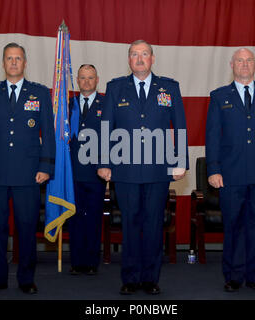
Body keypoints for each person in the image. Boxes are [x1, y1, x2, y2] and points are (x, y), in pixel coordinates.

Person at [98, 40, 188, 295]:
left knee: (152, 224)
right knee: (130, 224)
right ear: (128, 60)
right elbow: (106, 128)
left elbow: (179, 125)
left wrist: (180, 160)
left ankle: (150, 278)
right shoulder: (116, 88)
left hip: (158, 170)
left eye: (144, 54)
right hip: (125, 170)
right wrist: (104, 162)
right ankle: (130, 277)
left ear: (153, 58)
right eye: (134, 54)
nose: (139, 59)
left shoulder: (169, 87)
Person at [0, 42, 55, 294]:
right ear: (3, 63)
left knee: (27, 227)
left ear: (25, 63)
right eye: (9, 58)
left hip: (28, 172)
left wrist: (46, 166)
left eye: (18, 58)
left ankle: (26, 279)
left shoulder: (39, 93)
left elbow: (48, 134)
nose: (14, 62)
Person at [205, 48, 255, 292]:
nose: (244, 64)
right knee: (233, 225)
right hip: (231, 174)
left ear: (254, 64)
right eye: (240, 60)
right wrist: (213, 169)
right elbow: (212, 137)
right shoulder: (219, 96)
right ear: (232, 65)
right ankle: (233, 275)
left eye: (249, 60)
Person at [68, 64, 106, 275]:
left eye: (90, 78)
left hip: (96, 173)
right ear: (77, 80)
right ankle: (76, 262)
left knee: (92, 218)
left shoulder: (106, 104)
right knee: (74, 218)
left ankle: (91, 262)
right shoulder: (68, 105)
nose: (86, 82)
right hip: (73, 172)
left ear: (97, 79)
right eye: (82, 78)